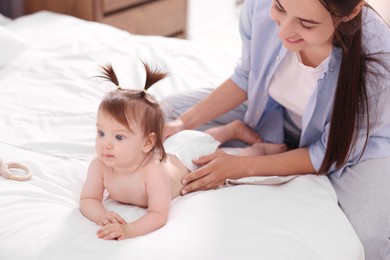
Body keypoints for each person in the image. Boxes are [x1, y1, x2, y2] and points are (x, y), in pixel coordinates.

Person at [162, 0, 390, 259]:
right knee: (161, 112)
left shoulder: (379, 59)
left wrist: (242, 167)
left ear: (349, 13)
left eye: (306, 23)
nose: (282, 32)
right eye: (280, 8)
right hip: (276, 113)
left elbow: (326, 153)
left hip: (352, 145)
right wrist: (183, 123)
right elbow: (247, 76)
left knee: (370, 238)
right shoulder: (259, 5)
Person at [79, 61, 286, 241]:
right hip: (169, 150)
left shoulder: (152, 171)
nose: (106, 144)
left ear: (147, 143)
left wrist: (130, 229)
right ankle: (231, 129)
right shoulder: (100, 165)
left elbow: (158, 214)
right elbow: (88, 199)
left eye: (119, 137)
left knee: (212, 148)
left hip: (185, 159)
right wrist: (100, 215)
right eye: (101, 133)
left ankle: (254, 146)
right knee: (204, 138)